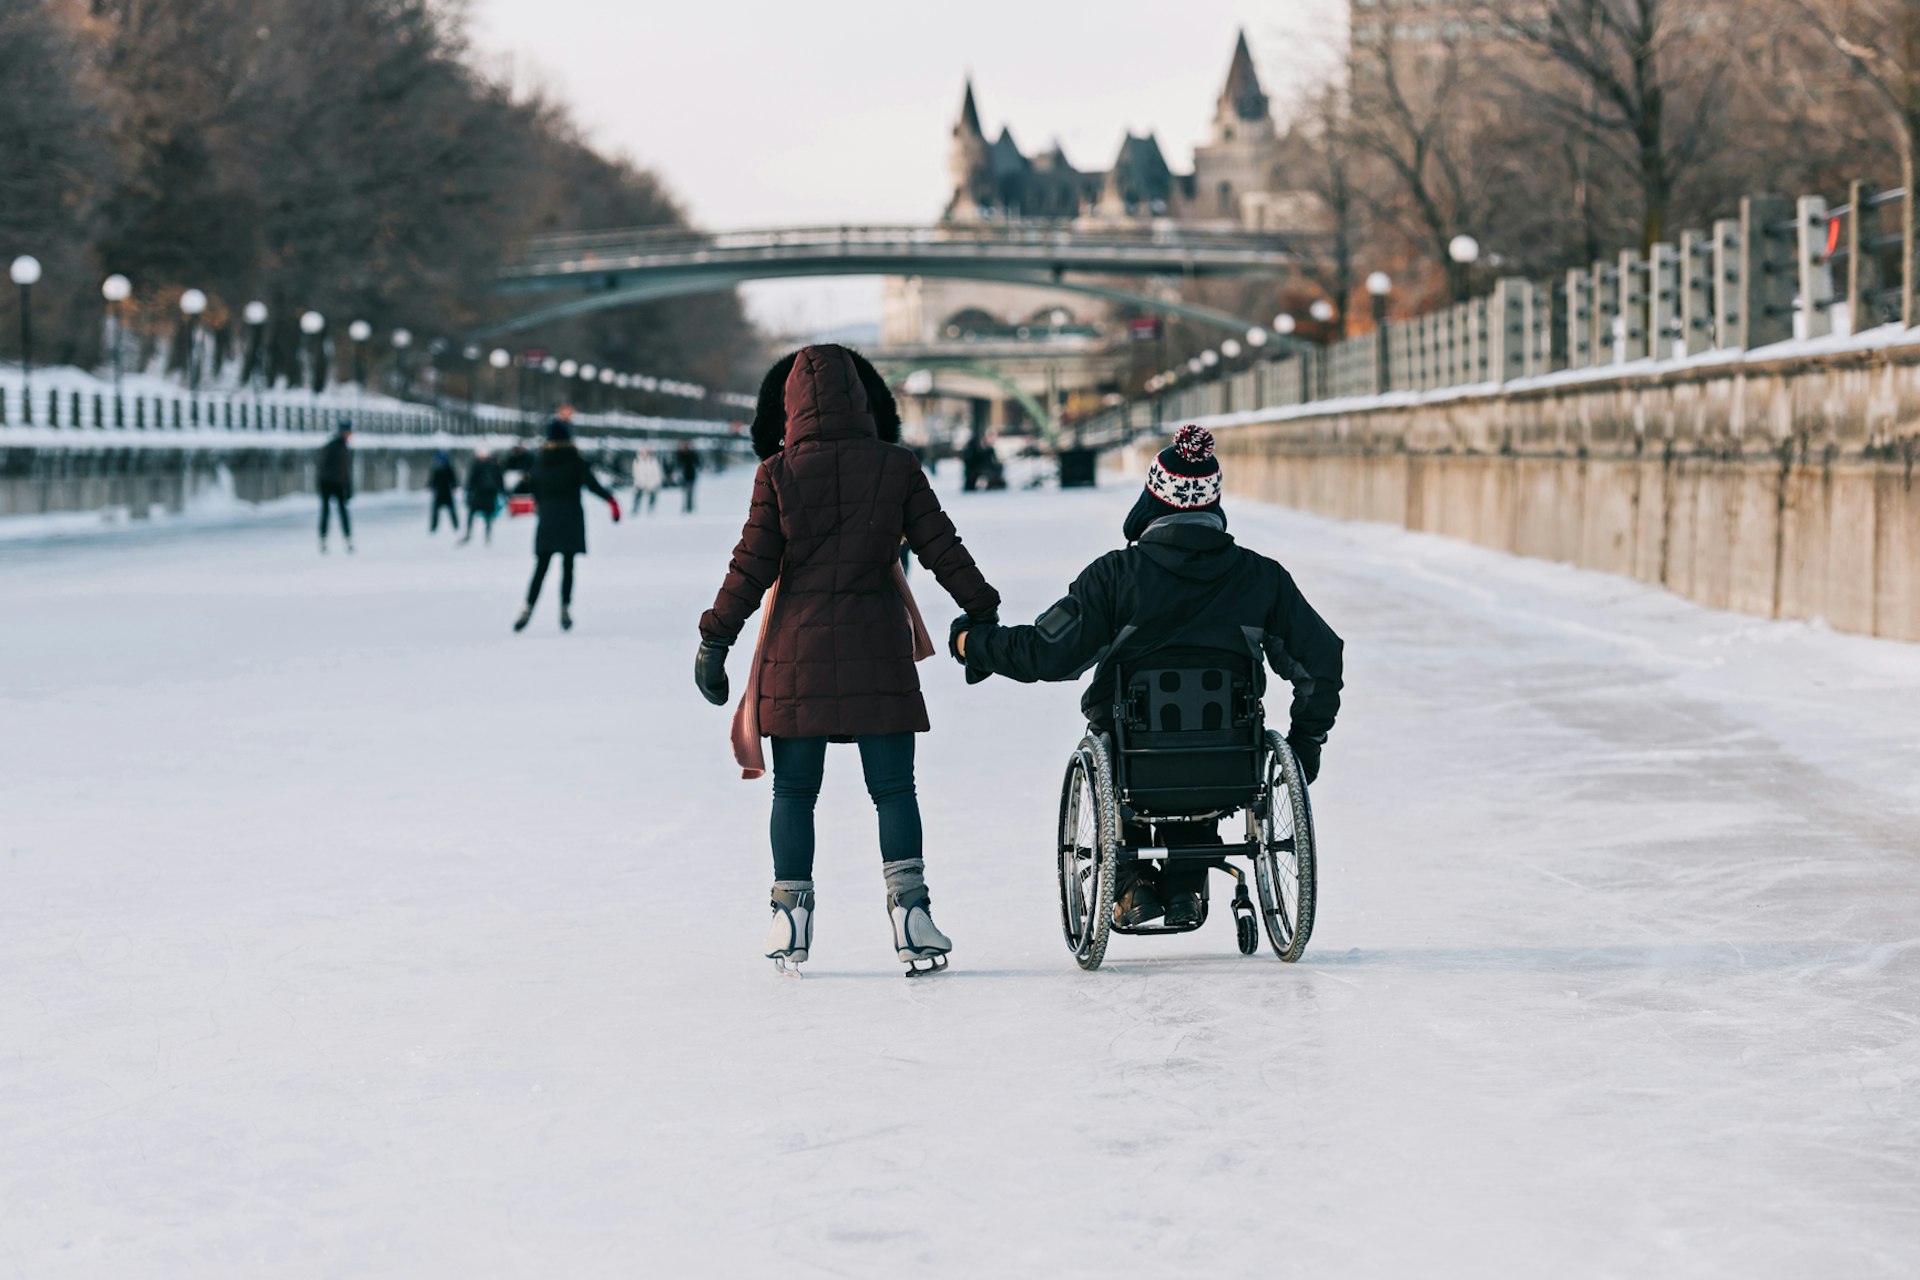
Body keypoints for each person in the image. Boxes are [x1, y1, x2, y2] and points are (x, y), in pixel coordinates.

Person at [952, 424, 1343, 930]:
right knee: (1203, 750)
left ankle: (1131, 885)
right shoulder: (1261, 578)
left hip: (1135, 766)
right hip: (1230, 767)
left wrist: (973, 645)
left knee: (1128, 747)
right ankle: (1185, 886)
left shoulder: (1116, 577)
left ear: (1153, 501)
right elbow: (1322, 660)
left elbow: (1046, 653)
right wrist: (1306, 743)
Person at [695, 344, 1000, 976]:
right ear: (863, 400)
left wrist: (714, 638)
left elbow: (750, 566)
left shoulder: (777, 474)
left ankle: (788, 917)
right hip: (877, 653)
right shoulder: (896, 467)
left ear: (790, 407)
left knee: (794, 791)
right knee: (893, 790)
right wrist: (982, 610)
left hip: (795, 656)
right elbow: (943, 547)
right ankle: (912, 916)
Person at [513, 406, 620, 633]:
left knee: (541, 566)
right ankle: (565, 608)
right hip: (571, 516)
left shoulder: (540, 462)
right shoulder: (575, 460)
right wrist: (610, 500)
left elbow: (532, 488)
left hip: (548, 518)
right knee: (568, 565)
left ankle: (528, 607)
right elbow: (592, 484)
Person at [316, 420, 354, 554]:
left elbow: (346, 470)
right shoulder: (335, 447)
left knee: (339, 511)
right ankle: (325, 539)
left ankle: (346, 538)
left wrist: (348, 486)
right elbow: (325, 467)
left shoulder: (343, 447)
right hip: (331, 484)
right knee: (329, 512)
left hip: (336, 483)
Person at [462, 448, 506, 545]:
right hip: (485, 494)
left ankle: (485, 535)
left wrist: (469, 491)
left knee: (485, 515)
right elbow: (499, 479)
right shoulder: (491, 465)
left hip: (484, 493)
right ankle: (481, 535)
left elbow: (471, 480)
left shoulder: (481, 465)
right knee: (485, 515)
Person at [427, 450, 460, 536]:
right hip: (440, 493)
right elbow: (433, 480)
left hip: (445, 493)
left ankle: (455, 526)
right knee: (436, 512)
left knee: (451, 511)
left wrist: (454, 486)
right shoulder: (437, 469)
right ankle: (434, 527)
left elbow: (453, 480)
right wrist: (431, 486)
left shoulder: (447, 469)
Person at [630, 447, 664, 515]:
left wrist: (657, 481)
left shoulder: (653, 461)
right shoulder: (637, 461)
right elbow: (635, 472)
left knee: (652, 497)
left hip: (651, 482)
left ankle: (650, 510)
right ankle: (635, 510)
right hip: (640, 482)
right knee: (637, 497)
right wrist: (638, 481)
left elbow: (657, 472)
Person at [675, 440, 700, 514]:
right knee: (684, 493)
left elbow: (697, 463)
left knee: (690, 493)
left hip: (691, 477)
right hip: (683, 477)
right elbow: (678, 463)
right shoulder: (680, 455)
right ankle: (685, 507)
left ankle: (689, 508)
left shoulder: (692, 454)